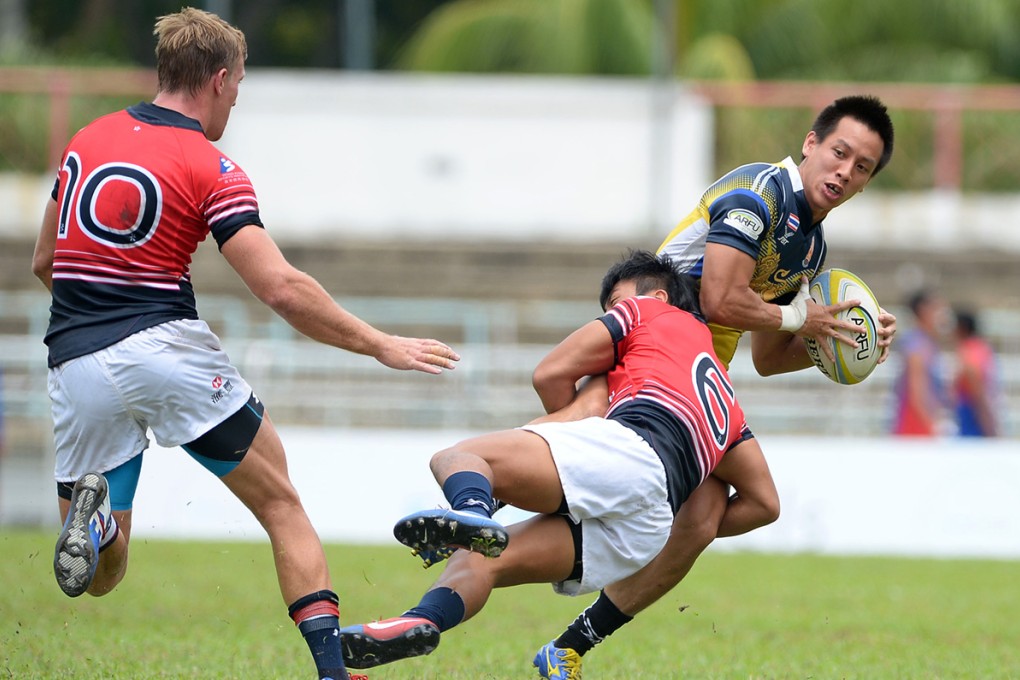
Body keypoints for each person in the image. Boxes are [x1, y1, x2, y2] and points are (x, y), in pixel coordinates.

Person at [30, 8, 458, 680]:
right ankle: (332, 672)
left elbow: (44, 263)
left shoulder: (87, 140)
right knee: (282, 505)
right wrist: (379, 343)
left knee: (103, 577)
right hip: (165, 350)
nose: (234, 102)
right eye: (238, 88)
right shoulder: (211, 165)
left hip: (75, 361)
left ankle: (100, 526)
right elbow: (280, 288)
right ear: (219, 80)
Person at [531, 94, 899, 677]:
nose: (844, 172)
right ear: (811, 144)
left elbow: (770, 357)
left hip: (697, 380)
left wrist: (842, 340)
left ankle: (568, 644)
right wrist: (803, 317)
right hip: (650, 350)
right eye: (839, 152)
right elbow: (720, 299)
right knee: (580, 443)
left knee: (727, 513)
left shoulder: (811, 245)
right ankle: (486, 506)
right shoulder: (758, 195)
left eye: (862, 167)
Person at [332, 250, 780, 673]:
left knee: (458, 457)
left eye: (614, 302)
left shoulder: (649, 313)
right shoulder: (727, 403)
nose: (611, 312)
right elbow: (764, 505)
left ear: (657, 296)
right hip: (648, 527)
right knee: (485, 560)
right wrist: (671, 523)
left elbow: (549, 372)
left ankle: (473, 513)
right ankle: (422, 619)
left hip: (628, 456)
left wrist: (572, 436)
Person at [891, 290, 949, 436]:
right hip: (915, 424)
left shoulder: (927, 342)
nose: (942, 315)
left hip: (922, 421)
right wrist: (932, 426)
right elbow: (916, 393)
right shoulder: (917, 344)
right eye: (937, 308)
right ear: (923, 310)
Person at [953, 308, 1001, 437]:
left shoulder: (969, 350)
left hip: (973, 411)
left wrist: (986, 419)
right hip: (978, 408)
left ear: (961, 328)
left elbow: (975, 382)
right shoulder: (982, 347)